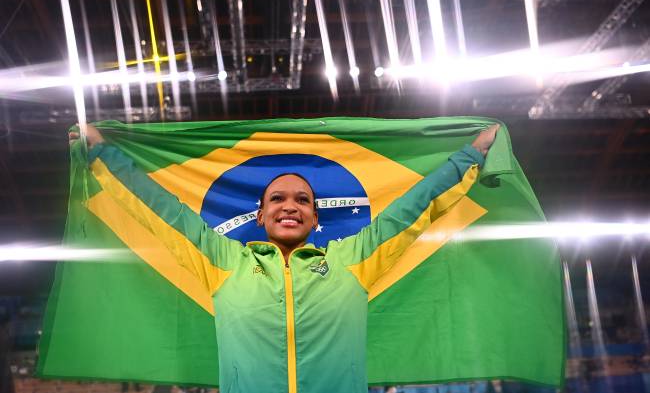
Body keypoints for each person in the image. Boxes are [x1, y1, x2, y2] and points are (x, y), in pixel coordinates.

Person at [69, 123, 499, 393]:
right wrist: (103, 153)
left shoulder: (354, 259)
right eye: (277, 198)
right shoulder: (224, 262)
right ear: (259, 215)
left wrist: (472, 155)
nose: (289, 205)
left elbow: (413, 208)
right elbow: (164, 212)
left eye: (302, 200)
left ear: (315, 219)